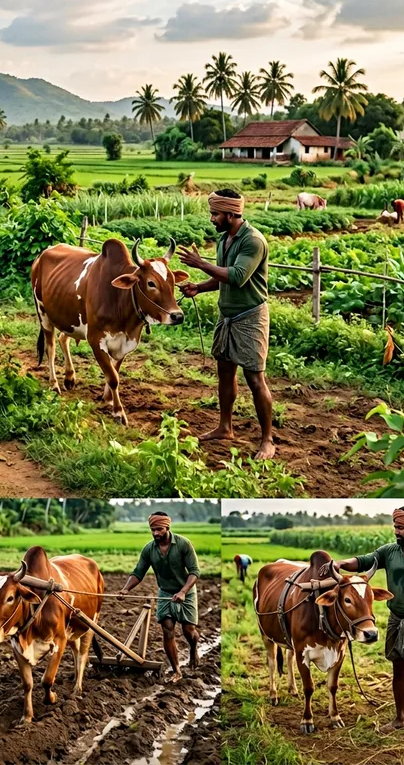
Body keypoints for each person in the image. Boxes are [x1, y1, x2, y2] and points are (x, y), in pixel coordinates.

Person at [321, 506, 404, 744]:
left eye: (400, 527)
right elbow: (364, 561)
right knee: (398, 669)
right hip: (396, 618)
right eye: (394, 526)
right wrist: (340, 563)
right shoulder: (389, 552)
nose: (396, 531)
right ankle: (399, 718)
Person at [177, 188, 275, 460]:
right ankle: (225, 427)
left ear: (231, 214)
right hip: (227, 315)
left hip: (250, 317)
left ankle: (267, 439)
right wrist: (199, 286)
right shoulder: (225, 239)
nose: (212, 218)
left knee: (255, 378)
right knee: (225, 372)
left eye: (215, 213)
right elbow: (222, 279)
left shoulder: (253, 241)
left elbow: (238, 276)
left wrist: (199, 264)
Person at [118, 512, 201, 682]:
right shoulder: (149, 549)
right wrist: (126, 589)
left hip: (186, 591)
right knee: (167, 629)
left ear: (167, 528)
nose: (155, 533)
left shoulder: (183, 544)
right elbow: (138, 572)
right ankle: (176, 670)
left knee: (188, 631)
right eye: (152, 530)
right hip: (165, 593)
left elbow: (194, 572)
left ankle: (193, 649)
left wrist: (183, 592)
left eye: (159, 529)